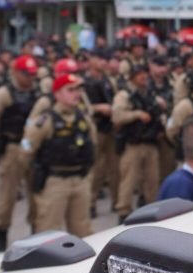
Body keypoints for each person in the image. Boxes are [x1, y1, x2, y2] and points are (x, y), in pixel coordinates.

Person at [22, 74, 96, 237]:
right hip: (54, 182)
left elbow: (93, 145)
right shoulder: (45, 120)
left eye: (78, 89)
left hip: (80, 179)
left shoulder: (83, 118)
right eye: (70, 90)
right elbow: (26, 149)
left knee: (83, 231)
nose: (76, 94)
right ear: (57, 94)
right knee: (49, 232)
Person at [0, 54, 40, 251]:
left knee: (37, 194)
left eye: (33, 74)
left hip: (33, 148)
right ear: (16, 73)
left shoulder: (38, 93)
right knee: (7, 195)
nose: (30, 78)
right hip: (12, 147)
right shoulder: (3, 95)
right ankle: (2, 235)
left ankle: (36, 234)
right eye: (26, 74)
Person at [111, 65, 166, 222]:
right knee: (128, 180)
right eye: (139, 75)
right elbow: (117, 116)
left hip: (151, 142)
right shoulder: (124, 95)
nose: (143, 77)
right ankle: (123, 211)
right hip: (133, 143)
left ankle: (151, 208)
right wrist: (136, 115)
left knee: (152, 180)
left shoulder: (150, 94)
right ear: (132, 77)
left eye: (144, 74)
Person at [81, 50, 119, 217]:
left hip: (110, 127)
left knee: (115, 168)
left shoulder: (108, 81)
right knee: (95, 169)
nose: (103, 63)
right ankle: (90, 203)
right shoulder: (84, 83)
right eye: (99, 59)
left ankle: (117, 203)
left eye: (104, 59)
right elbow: (81, 107)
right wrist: (98, 108)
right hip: (95, 128)